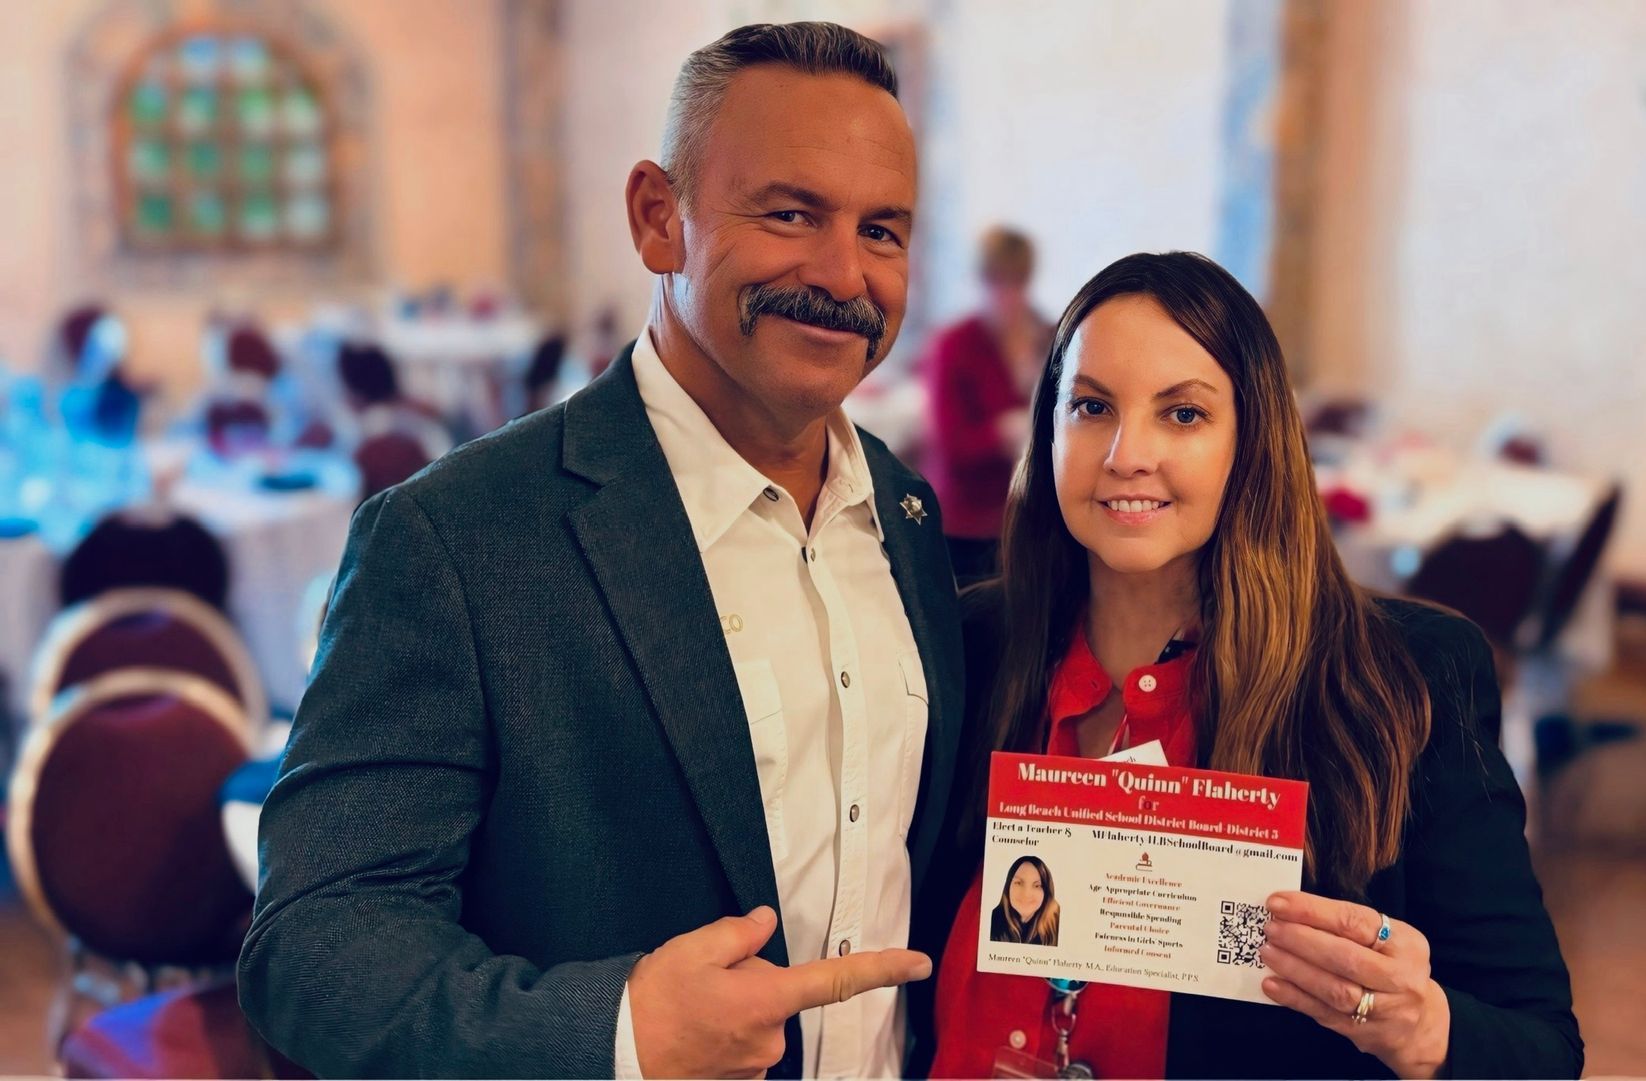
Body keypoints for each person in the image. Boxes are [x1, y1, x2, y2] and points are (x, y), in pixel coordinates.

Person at [238, 23, 963, 1080]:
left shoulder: (904, 512)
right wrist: (618, 1034)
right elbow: (316, 946)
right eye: (791, 213)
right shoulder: (457, 538)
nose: (843, 273)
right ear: (659, 218)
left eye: (882, 231)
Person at [913, 252, 1580, 1079]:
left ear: (1252, 441)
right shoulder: (968, 645)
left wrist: (1422, 1025)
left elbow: (1542, 1050)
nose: (1127, 453)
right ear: (1048, 426)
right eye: (1091, 406)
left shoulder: (1401, 679)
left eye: (1182, 414)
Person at [921, 227, 1051, 584]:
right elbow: (951, 444)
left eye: (1018, 282)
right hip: (963, 522)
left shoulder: (1043, 336)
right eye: (996, 281)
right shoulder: (954, 344)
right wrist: (1003, 433)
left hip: (1025, 518)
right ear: (980, 281)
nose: (1007, 296)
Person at [989, 856, 1060, 946]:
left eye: (1037, 886)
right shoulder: (990, 922)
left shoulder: (1059, 926)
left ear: (1046, 893)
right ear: (1008, 887)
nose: (1026, 893)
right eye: (1018, 883)